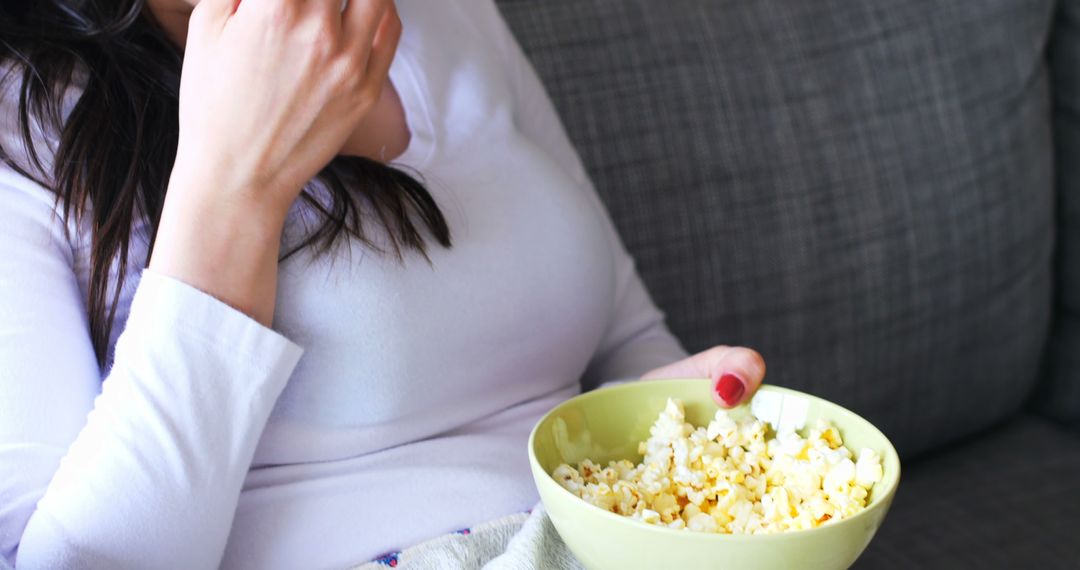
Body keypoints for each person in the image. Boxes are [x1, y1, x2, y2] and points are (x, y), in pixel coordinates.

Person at [0, 0, 767, 567]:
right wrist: (236, 184)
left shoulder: (452, 16)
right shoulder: (25, 110)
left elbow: (627, 343)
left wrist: (672, 434)